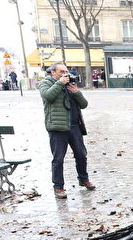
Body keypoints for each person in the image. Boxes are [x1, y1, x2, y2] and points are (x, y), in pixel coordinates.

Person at [39, 62, 95, 198]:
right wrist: (59, 84)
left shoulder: (69, 85)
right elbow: (48, 96)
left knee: (81, 154)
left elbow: (84, 104)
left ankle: (83, 179)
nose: (65, 74)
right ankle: (58, 187)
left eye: (66, 72)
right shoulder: (45, 83)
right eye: (61, 72)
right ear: (53, 72)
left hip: (74, 126)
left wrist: (76, 92)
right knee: (58, 158)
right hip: (57, 127)